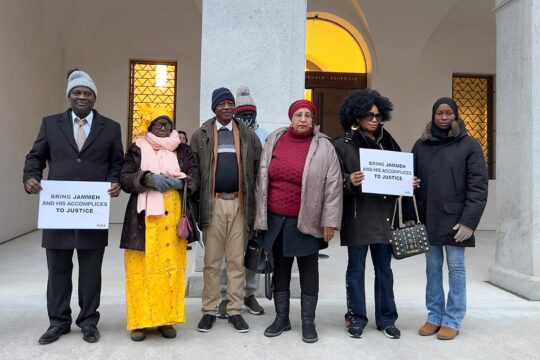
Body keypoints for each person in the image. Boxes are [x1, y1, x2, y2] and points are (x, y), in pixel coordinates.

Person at [23, 69, 124, 344]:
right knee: (57, 269)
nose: (82, 96)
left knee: (91, 270)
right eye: (77, 92)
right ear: (70, 96)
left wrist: (114, 181)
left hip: (92, 212)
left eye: (87, 93)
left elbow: (117, 162)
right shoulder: (50, 124)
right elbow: (36, 157)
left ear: (94, 98)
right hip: (58, 211)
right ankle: (58, 322)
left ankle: (89, 321)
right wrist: (30, 177)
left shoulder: (111, 128)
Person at [254, 99, 343, 343]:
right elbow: (262, 176)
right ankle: (282, 318)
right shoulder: (275, 139)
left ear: (313, 119)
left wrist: (330, 222)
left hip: (307, 218)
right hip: (275, 219)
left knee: (308, 270)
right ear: (291, 118)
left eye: (307, 115)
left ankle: (307, 322)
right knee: (280, 268)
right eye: (298, 115)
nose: (302, 119)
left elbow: (334, 186)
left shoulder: (324, 146)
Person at [334, 89, 418, 340]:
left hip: (385, 217)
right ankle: (356, 317)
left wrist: (408, 182)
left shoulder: (391, 143)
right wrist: (350, 180)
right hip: (358, 217)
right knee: (356, 269)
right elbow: (332, 180)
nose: (374, 119)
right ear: (356, 115)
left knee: (384, 270)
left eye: (378, 115)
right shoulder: (342, 144)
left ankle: (387, 319)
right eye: (369, 115)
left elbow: (398, 175)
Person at [407, 97, 488, 340]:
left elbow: (478, 187)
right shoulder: (421, 146)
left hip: (456, 221)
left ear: (456, 115)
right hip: (428, 217)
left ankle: (452, 319)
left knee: (456, 268)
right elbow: (407, 179)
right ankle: (434, 316)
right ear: (433, 116)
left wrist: (469, 222)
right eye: (439, 113)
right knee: (432, 268)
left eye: (448, 113)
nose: (444, 117)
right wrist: (410, 186)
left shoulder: (469, 146)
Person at [119, 107, 199, 341]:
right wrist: (146, 178)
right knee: (140, 270)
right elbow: (124, 178)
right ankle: (140, 322)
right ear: (149, 127)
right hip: (142, 221)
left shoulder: (183, 150)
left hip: (173, 217)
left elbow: (195, 176)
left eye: (167, 124)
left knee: (170, 270)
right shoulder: (137, 149)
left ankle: (166, 320)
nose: (163, 128)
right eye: (158, 124)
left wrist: (177, 183)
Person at [191, 87, 262, 333]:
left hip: (240, 205)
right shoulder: (201, 135)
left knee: (236, 262)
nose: (227, 107)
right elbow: (195, 174)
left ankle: (234, 310)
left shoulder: (247, 134)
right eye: (221, 103)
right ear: (214, 107)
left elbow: (258, 169)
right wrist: (194, 211)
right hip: (214, 204)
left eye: (230, 103)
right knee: (211, 262)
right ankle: (209, 311)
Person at [217, 86, 266, 318]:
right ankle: (226, 296)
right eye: (242, 113)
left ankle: (249, 294)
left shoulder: (264, 135)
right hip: (228, 202)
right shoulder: (228, 133)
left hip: (253, 203)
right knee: (230, 254)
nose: (246, 118)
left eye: (251, 114)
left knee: (252, 251)